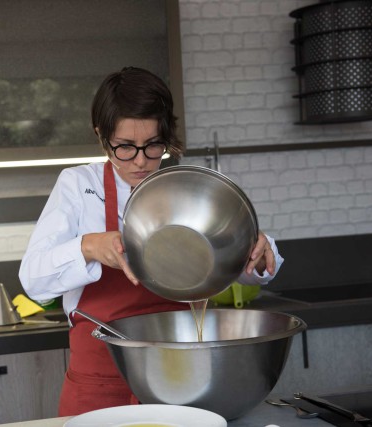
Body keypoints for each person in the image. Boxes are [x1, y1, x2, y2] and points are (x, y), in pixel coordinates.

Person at [18, 66, 284, 416]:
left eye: (153, 146)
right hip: (101, 379)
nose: (141, 161)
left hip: (182, 378)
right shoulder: (77, 186)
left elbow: (236, 268)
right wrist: (88, 247)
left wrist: (260, 254)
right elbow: (34, 282)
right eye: (125, 147)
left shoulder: (191, 188)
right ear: (102, 136)